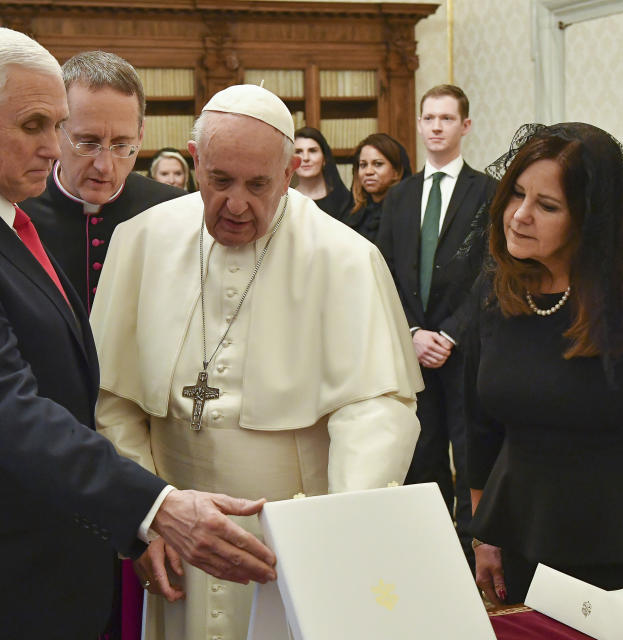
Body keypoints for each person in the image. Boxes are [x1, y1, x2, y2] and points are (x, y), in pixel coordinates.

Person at [0, 28, 276, 640]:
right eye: (34, 126)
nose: (54, 150)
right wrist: (157, 506)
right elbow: (2, 406)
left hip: (35, 559)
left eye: (57, 126)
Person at [90, 84, 422, 640]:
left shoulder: (345, 258)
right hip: (177, 537)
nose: (237, 204)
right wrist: (146, 518)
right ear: (195, 163)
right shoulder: (140, 241)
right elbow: (112, 400)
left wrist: (331, 535)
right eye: (219, 181)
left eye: (258, 184)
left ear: (290, 172)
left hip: (287, 538)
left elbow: (376, 409)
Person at [465, 122, 623, 605]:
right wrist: (483, 534)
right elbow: (480, 430)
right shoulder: (494, 293)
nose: (519, 216)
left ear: (589, 218)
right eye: (516, 195)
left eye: (547, 206)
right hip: (524, 539)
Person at [376, 84, 496, 567]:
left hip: (464, 349)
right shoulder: (400, 196)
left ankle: (474, 556)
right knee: (420, 455)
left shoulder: (487, 192)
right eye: (429, 118)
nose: (437, 127)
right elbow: (382, 269)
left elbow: (491, 270)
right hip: (412, 349)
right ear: (420, 124)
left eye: (447, 118)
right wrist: (411, 333)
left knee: (469, 454)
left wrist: (449, 333)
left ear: (465, 126)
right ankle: (428, 557)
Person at [19, 51, 184, 315]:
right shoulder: (15, 211)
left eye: (121, 145)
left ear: (140, 136)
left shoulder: (172, 210)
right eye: (88, 143)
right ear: (56, 130)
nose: (104, 166)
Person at [346, 132, 412, 242]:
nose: (368, 172)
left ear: (396, 172)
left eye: (378, 164)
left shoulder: (407, 213)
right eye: (363, 165)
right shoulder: (353, 215)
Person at [292, 126, 352, 219]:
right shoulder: (285, 201)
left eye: (312, 151)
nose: (306, 158)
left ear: (325, 158)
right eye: (298, 151)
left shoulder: (346, 202)